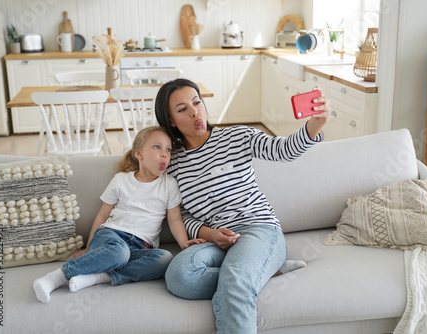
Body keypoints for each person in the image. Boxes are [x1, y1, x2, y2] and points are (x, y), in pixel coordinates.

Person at [155, 78, 330, 333]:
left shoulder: (237, 136)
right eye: (182, 109)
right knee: (180, 276)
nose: (195, 111)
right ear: (171, 120)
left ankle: (247, 274)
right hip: (217, 241)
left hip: (258, 229)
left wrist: (314, 126)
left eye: (197, 102)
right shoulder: (173, 163)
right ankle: (263, 271)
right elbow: (182, 216)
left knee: (235, 284)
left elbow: (282, 151)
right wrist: (211, 234)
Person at [33, 126, 206, 303]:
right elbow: (102, 216)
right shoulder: (121, 180)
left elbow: (175, 219)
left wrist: (184, 242)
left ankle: (99, 277)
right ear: (139, 154)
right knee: (119, 252)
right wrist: (89, 247)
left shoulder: (169, 184)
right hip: (110, 236)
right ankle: (56, 277)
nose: (164, 154)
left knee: (164, 259)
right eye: (157, 147)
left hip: (141, 247)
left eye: (168, 150)